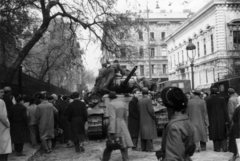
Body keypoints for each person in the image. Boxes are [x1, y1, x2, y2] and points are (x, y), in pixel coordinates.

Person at [156, 87, 196, 161]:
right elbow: (189, 148)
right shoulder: (185, 120)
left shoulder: (174, 127)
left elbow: (173, 157)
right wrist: (165, 149)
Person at [102, 91, 133, 161]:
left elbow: (112, 118)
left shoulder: (111, 104)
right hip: (123, 124)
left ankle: (105, 159)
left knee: (111, 143)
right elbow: (126, 116)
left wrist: (111, 131)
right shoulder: (123, 103)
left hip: (116, 126)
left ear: (110, 98)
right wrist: (125, 124)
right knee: (123, 143)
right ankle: (125, 159)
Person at [206, 87, 230, 152]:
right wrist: (227, 120)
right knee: (223, 132)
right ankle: (224, 148)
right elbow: (225, 111)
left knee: (214, 133)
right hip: (221, 119)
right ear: (217, 92)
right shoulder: (222, 99)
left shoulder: (208, 100)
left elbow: (207, 111)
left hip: (212, 119)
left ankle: (217, 148)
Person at [228, 96, 240, 161]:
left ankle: (234, 156)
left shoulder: (238, 108)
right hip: (237, 127)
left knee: (237, 143)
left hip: (237, 128)